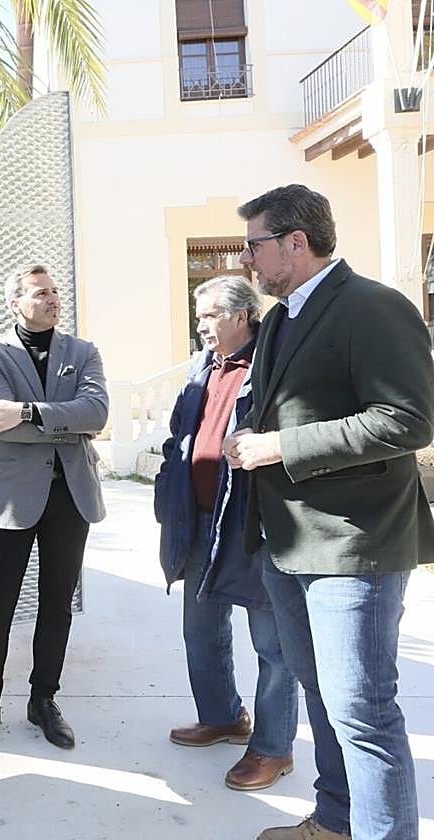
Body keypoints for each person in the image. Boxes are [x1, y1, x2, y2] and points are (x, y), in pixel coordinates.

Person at [224, 184, 434, 840]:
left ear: (295, 241)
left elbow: (407, 420)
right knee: (324, 702)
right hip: (289, 545)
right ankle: (338, 822)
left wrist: (279, 446)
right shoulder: (283, 319)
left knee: (364, 714)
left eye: (254, 245)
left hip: (353, 547)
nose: (246, 261)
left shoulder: (373, 307)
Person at [155, 275, 298, 791]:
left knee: (273, 644)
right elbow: (181, 432)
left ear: (241, 316)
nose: (201, 326)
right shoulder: (203, 364)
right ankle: (222, 716)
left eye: (209, 316)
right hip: (197, 519)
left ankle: (273, 748)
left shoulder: (273, 362)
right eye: (199, 316)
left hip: (252, 524)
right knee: (201, 628)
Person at [0, 264, 108, 758]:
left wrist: (28, 412)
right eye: (41, 293)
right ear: (15, 302)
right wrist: (66, 424)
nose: (53, 299)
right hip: (11, 501)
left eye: (56, 292)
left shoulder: (83, 353)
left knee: (56, 606)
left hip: (71, 496)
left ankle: (43, 701)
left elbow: (98, 414)